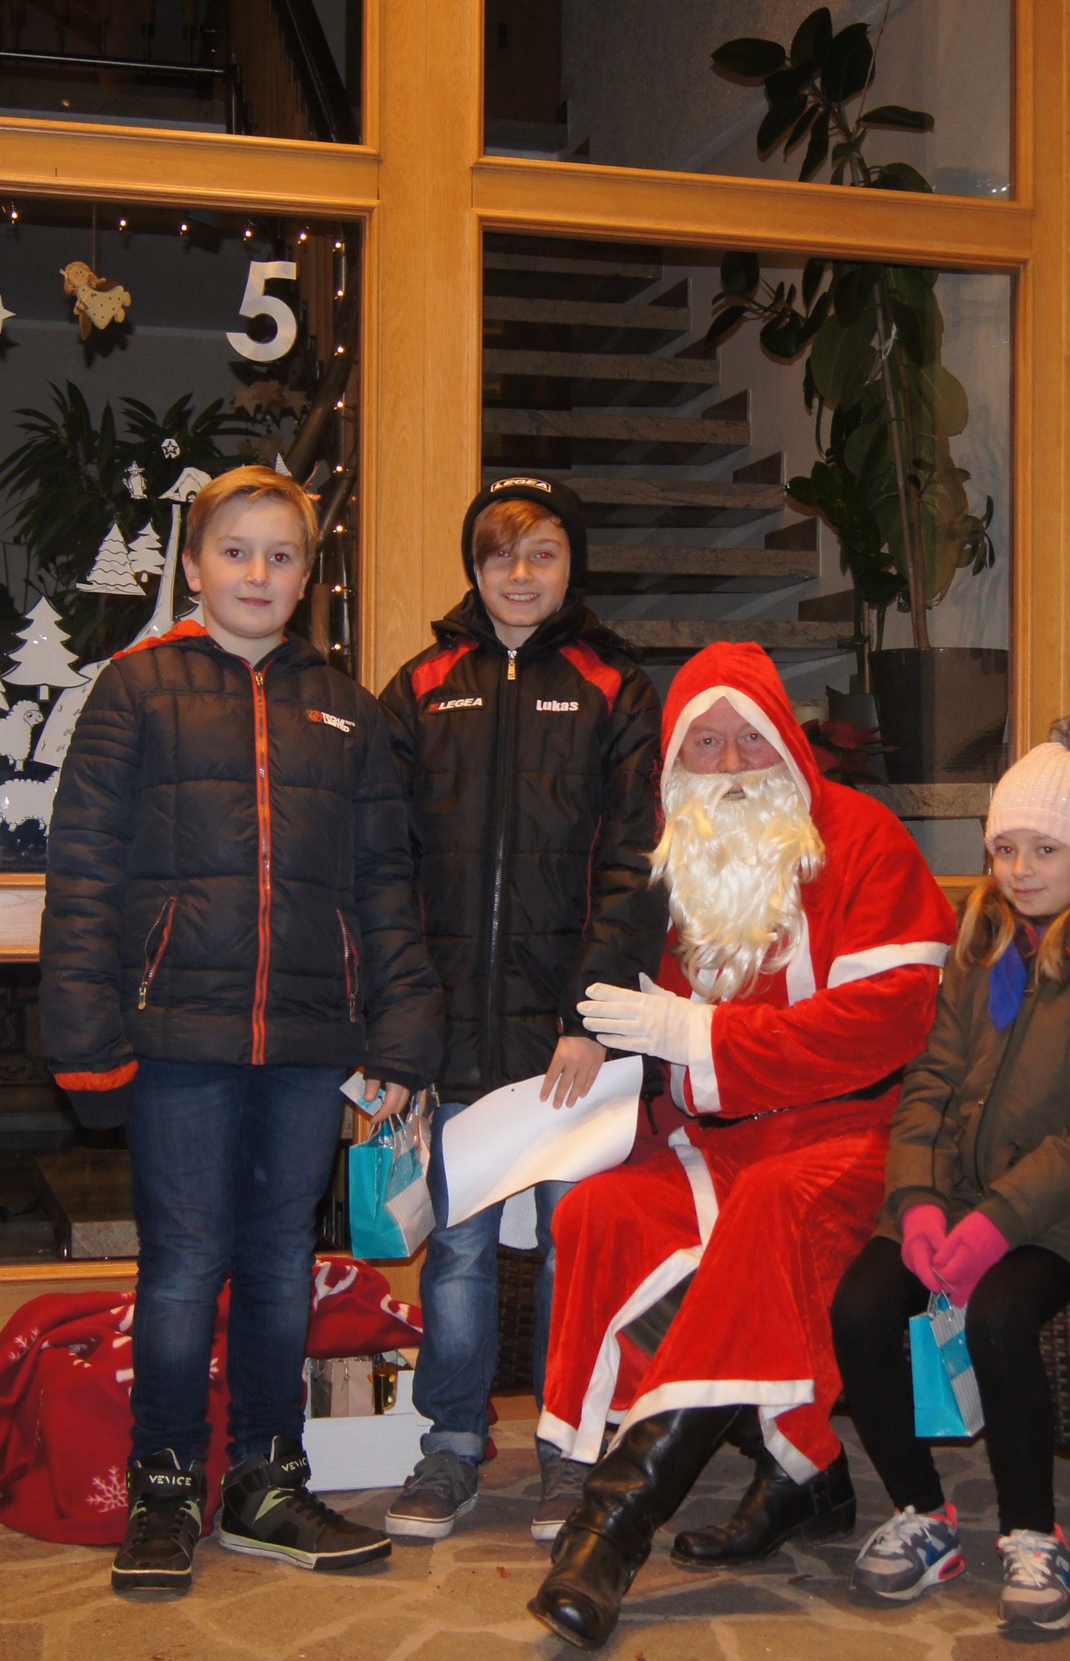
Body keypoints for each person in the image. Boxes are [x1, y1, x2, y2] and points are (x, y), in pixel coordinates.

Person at [41, 465, 443, 1598]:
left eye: (282, 554)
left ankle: (266, 1481)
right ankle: (165, 1487)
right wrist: (86, 1036)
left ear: (308, 576)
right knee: (181, 1266)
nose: (257, 573)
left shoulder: (347, 709)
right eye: (235, 550)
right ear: (193, 565)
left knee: (276, 1265)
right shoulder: (135, 691)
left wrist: (401, 1034)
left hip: (311, 1042)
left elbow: (386, 883)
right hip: (179, 1039)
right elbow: (84, 874)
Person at [525, 642, 958, 1651]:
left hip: (853, 1136)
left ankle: (610, 1532)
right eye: (705, 743)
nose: (727, 764)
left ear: (788, 744)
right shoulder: (673, 857)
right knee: (599, 1209)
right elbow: (627, 995)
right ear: (675, 762)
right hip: (715, 1143)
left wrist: (702, 1035)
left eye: (748, 739)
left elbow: (892, 1016)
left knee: (771, 1214)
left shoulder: (863, 837)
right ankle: (803, 1470)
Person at [830, 715, 1070, 1631]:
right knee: (860, 1309)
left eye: (1045, 849)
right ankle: (923, 1512)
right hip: (948, 1196)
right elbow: (930, 1080)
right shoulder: (981, 946)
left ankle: (1034, 1530)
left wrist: (999, 1221)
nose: (1020, 869)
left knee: (997, 1316)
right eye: (1004, 848)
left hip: (1055, 1216)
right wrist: (915, 1199)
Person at [376, 476, 667, 1544]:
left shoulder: (614, 686)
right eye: (501, 552)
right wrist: (401, 1020)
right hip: (452, 1030)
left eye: (543, 552)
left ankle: (566, 1450)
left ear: (571, 565)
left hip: (570, 1038)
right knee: (456, 1250)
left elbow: (638, 863)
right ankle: (451, 1446)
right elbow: (384, 863)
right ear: (474, 564)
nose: (520, 573)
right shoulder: (420, 687)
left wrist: (590, 1018)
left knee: (568, 1249)